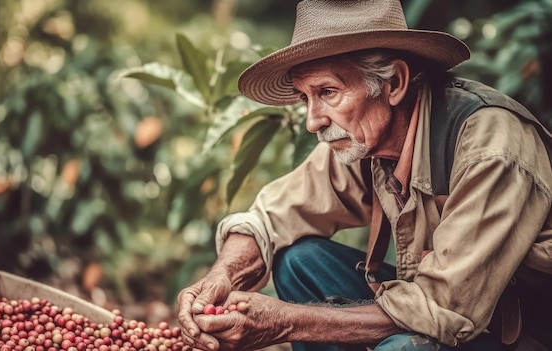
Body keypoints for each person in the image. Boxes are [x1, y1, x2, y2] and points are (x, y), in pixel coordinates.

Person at [177, 1, 552, 350]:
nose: (313, 121)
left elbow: (445, 308)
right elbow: (271, 217)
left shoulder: (490, 146)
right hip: (445, 309)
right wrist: (222, 275)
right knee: (300, 260)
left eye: (328, 92)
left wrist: (284, 322)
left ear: (394, 84)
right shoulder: (364, 138)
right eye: (306, 97)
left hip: (519, 332)